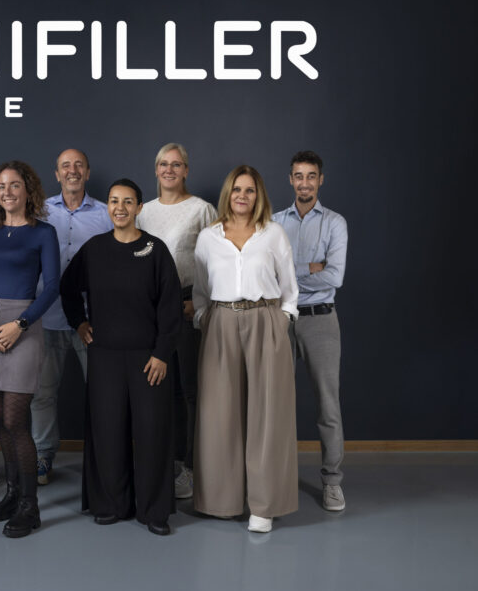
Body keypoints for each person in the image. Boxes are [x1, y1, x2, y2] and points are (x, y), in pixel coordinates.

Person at [60, 179, 182, 536]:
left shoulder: (155, 250)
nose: (120, 208)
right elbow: (67, 289)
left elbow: (171, 305)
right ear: (108, 206)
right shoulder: (95, 249)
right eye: (114, 201)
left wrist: (162, 353)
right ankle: (110, 504)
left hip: (149, 358)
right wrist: (79, 322)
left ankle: (154, 510)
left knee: (152, 432)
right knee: (107, 431)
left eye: (128, 202)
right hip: (105, 357)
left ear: (140, 207)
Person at [192, 165, 299, 534]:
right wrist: (205, 318)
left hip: (265, 319)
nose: (242, 196)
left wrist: (282, 319)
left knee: (267, 415)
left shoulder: (273, 234)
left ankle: (263, 506)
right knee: (219, 413)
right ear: (228, 193)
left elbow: (289, 287)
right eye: (237, 189)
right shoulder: (208, 237)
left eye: (250, 190)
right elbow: (200, 288)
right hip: (221, 321)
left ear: (259, 195)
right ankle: (222, 500)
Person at [0, 161, 60, 537]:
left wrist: (20, 324)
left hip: (22, 328)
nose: (7, 192)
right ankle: (11, 494)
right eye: (1, 186)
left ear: (28, 190)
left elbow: (52, 286)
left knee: (15, 420)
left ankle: (30, 506)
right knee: (0, 420)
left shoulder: (44, 232)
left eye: (15, 185)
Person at [136, 142, 218, 499]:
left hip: (186, 305)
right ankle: (167, 461)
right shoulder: (143, 211)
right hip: (151, 309)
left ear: (186, 170)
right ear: (156, 170)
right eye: (163, 164)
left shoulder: (202, 210)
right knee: (159, 388)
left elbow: (218, 260)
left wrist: (198, 302)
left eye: (176, 164)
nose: (169, 170)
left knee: (190, 390)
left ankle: (192, 466)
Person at [272, 150, 348, 512]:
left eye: (311, 176)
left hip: (321, 320)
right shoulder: (273, 223)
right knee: (276, 403)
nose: (305, 183)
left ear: (321, 180)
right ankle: (276, 479)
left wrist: (291, 272)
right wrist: (311, 267)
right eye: (299, 176)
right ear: (290, 179)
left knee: (328, 405)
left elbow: (335, 276)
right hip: (280, 319)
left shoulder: (335, 223)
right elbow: (267, 275)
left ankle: (332, 482)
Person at [33, 148, 112, 485]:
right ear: (57, 174)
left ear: (88, 172)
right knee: (42, 393)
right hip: (46, 317)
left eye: (79, 165)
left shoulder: (107, 214)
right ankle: (42, 456)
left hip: (91, 321)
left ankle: (103, 458)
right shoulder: (39, 211)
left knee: (101, 394)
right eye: (65, 165)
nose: (72, 170)